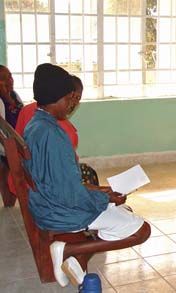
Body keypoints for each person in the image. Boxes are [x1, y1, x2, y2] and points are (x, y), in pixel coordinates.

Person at [24, 63, 150, 287]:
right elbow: (70, 194)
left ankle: (76, 258)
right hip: (59, 211)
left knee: (122, 210)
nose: (72, 104)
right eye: (70, 98)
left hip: (44, 202)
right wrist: (105, 199)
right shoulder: (54, 136)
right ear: (57, 97)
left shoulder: (35, 124)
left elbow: (63, 182)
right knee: (141, 230)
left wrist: (104, 192)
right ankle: (67, 250)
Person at [15, 75, 99, 185]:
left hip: (22, 174)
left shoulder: (31, 112)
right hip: (44, 183)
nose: (74, 103)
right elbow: (66, 171)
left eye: (78, 99)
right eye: (73, 98)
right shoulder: (60, 128)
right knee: (88, 174)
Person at [0, 65, 23, 207]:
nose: (11, 79)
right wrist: (7, 150)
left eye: (11, 75)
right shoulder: (0, 101)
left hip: (18, 141)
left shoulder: (14, 95)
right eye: (7, 77)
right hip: (6, 146)